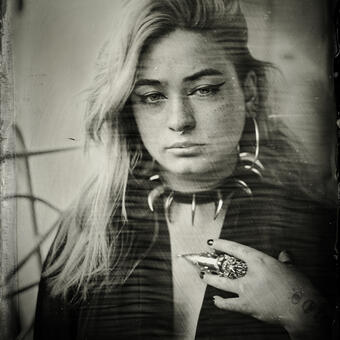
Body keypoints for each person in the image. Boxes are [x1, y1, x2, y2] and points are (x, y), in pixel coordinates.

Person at [33, 0, 336, 339]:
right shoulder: (83, 234)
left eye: (204, 90)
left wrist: (303, 311)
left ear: (249, 91)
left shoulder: (315, 226)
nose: (179, 121)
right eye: (152, 96)